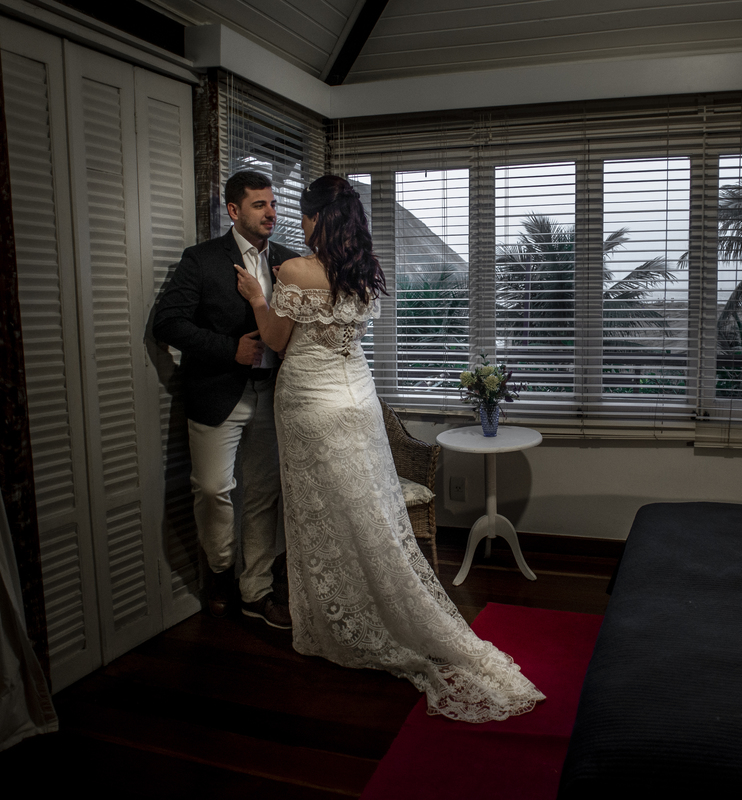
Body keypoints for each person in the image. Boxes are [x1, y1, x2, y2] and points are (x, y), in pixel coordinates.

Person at [233, 175, 545, 722]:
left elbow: (279, 341)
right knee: (367, 512)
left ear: (315, 220)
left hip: (311, 403)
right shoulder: (363, 272)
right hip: (358, 400)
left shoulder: (295, 271)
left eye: (302, 216)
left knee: (321, 516)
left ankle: (341, 618)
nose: (297, 225)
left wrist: (258, 297)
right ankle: (379, 602)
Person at [152, 170, 295, 629]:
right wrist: (227, 348)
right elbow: (168, 324)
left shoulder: (291, 263)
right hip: (217, 394)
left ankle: (257, 590)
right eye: (259, 205)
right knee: (213, 489)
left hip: (273, 395)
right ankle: (219, 572)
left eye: (273, 204)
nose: (270, 212)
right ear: (234, 211)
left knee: (263, 496)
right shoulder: (201, 259)